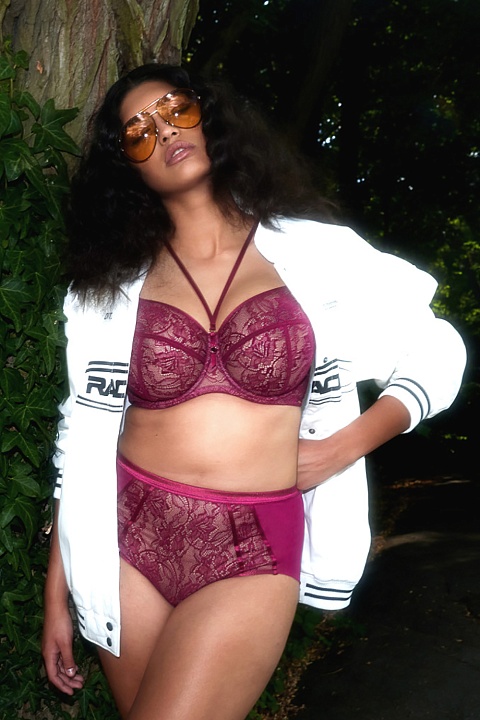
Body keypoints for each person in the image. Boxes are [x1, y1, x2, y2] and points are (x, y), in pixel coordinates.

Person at [41, 63, 466, 720]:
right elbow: (84, 432)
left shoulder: (314, 255)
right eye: (139, 131)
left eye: (175, 110)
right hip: (125, 539)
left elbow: (436, 346)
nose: (164, 132)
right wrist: (57, 593)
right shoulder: (110, 287)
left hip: (253, 546)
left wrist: (341, 448)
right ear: (128, 166)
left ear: (206, 116)